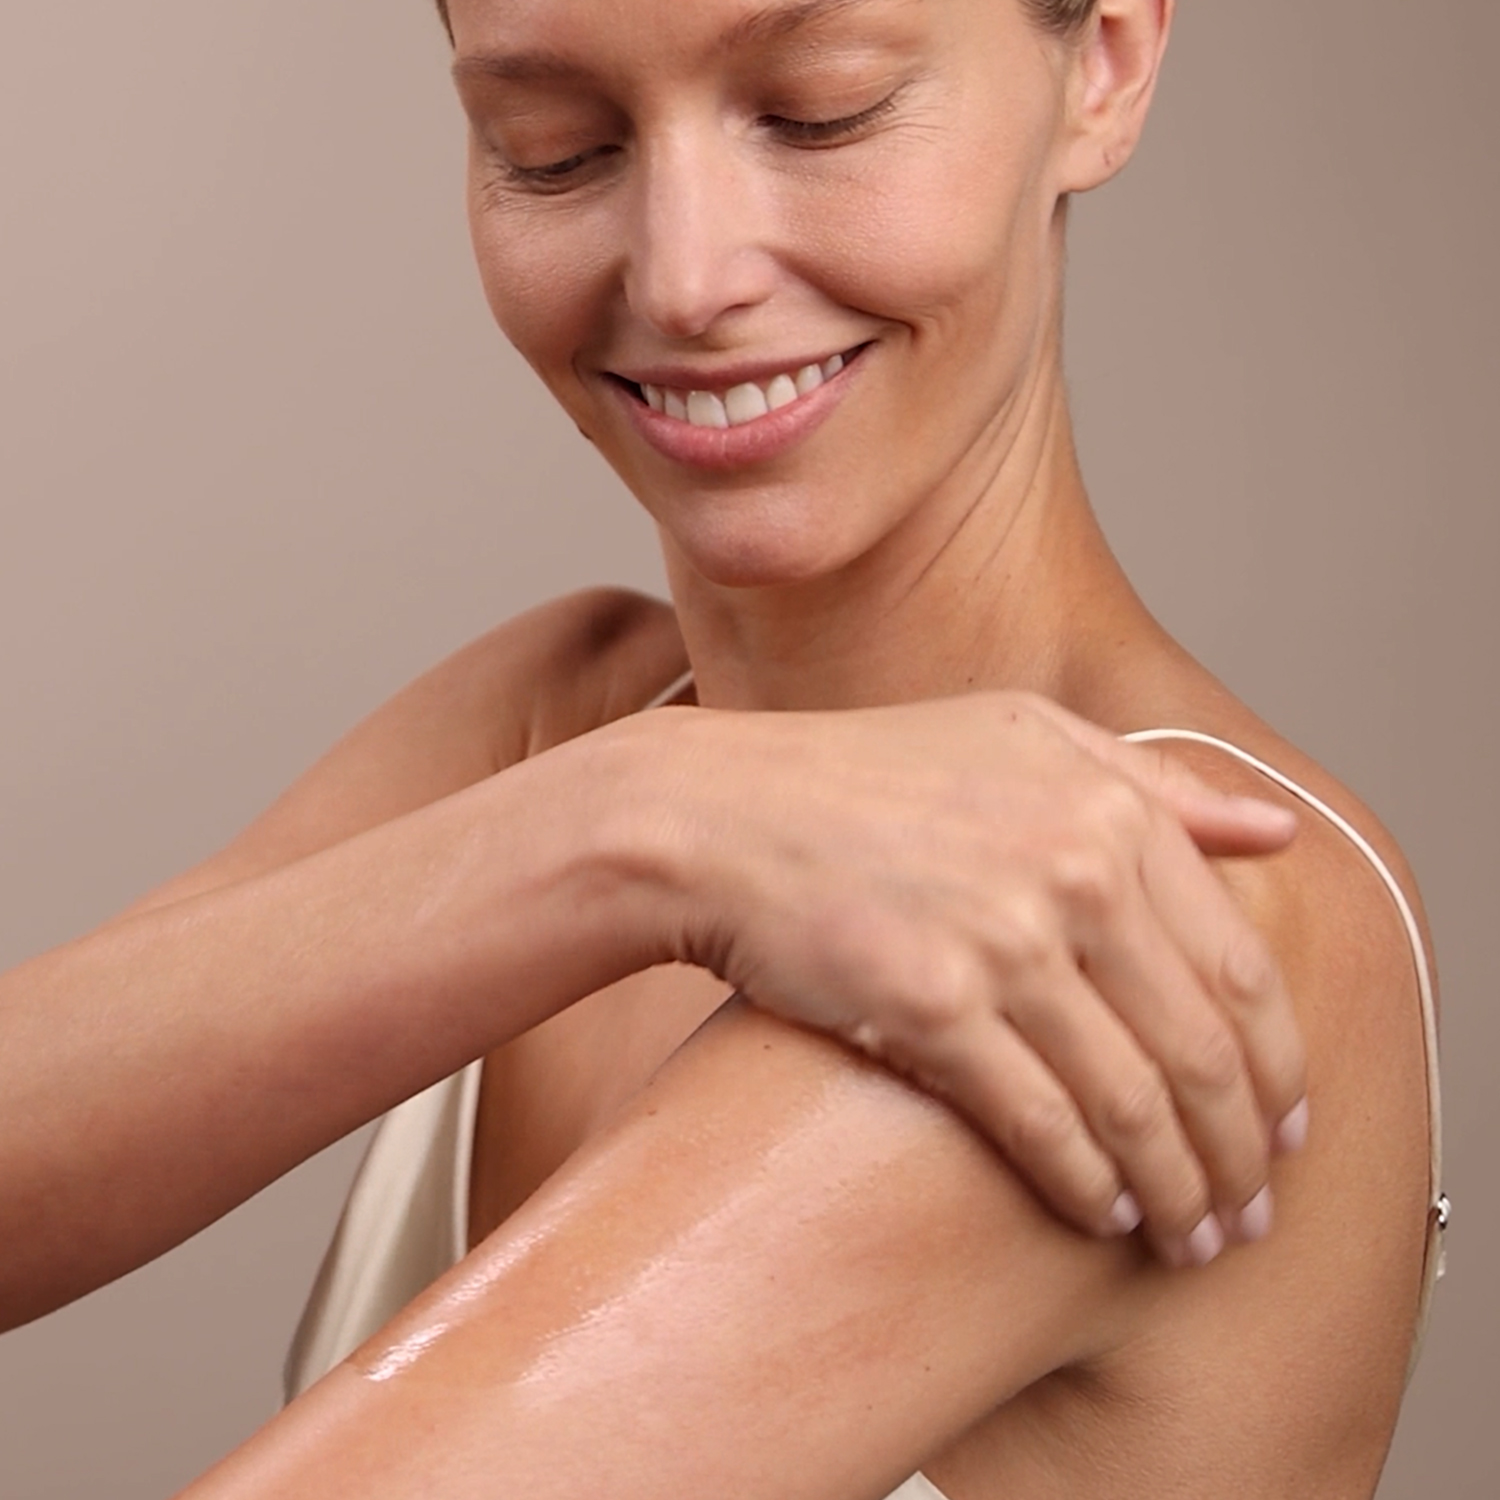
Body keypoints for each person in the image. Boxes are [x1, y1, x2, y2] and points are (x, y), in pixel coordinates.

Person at [0, 0, 1443, 1496]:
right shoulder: (560, 730)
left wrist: (632, 820)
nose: (684, 280)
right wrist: (637, 821)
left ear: (1109, 59)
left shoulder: (1145, 909)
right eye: (552, 152)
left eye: (821, 113)